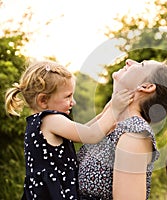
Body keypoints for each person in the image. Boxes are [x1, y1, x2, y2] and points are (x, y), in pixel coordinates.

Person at [4, 61, 134, 200]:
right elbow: (90, 134)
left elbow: (84, 130)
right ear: (43, 100)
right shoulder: (50, 120)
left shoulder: (40, 122)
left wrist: (108, 110)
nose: (73, 102)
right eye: (67, 96)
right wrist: (114, 111)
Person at [77, 59, 167, 200]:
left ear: (146, 87)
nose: (129, 61)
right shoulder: (110, 125)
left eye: (141, 65)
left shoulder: (134, 134)